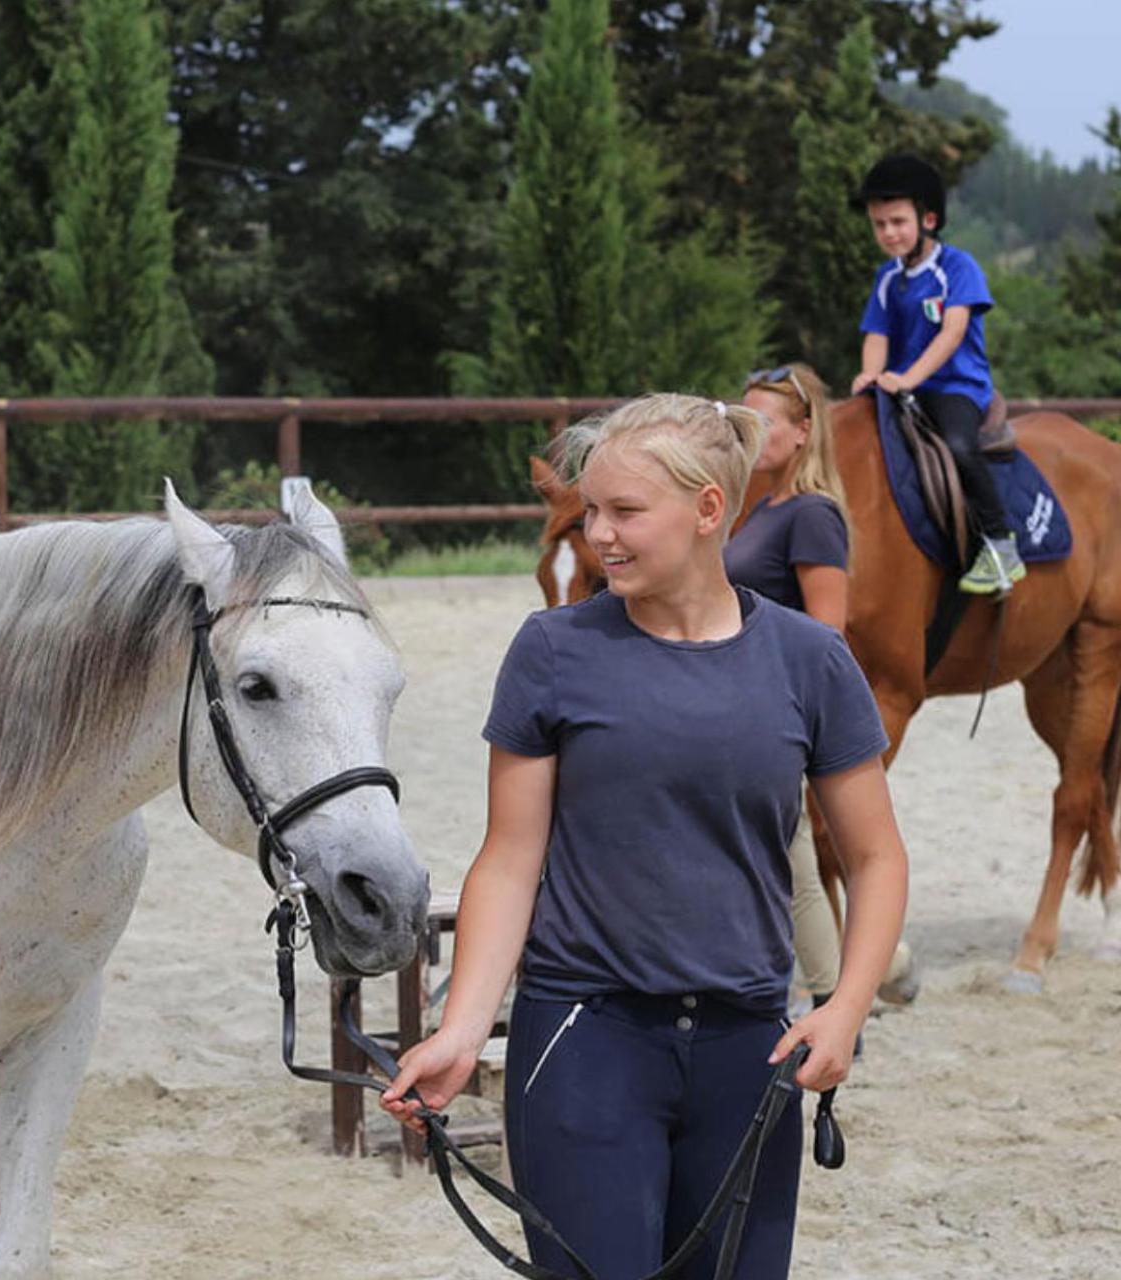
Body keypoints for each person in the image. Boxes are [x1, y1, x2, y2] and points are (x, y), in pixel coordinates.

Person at [382, 394, 909, 1278]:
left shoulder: (809, 661)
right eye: (592, 512)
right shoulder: (551, 651)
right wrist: (464, 1030)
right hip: (585, 1039)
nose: (600, 535)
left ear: (709, 510)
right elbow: (509, 862)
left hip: (751, 1048)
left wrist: (846, 1007)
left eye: (625, 511)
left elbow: (875, 855)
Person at [848, 154, 1020, 595]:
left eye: (898, 222)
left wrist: (907, 378)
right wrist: (871, 374)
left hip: (953, 386)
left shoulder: (957, 268)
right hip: (900, 388)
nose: (888, 233)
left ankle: (1000, 542)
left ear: (928, 219)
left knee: (961, 448)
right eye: (879, 224)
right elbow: (876, 334)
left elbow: (952, 332)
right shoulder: (887, 278)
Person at [734, 363, 850, 1012]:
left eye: (765, 422)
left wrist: (795, 719)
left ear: (804, 434)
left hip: (775, 705)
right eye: (743, 418)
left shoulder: (811, 515)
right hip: (746, 697)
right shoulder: (764, 509)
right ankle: (841, 990)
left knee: (792, 859)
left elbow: (827, 634)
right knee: (791, 857)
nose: (751, 432)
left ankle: (835, 996)